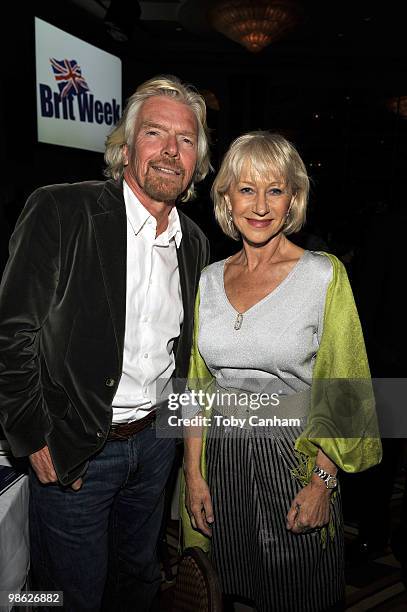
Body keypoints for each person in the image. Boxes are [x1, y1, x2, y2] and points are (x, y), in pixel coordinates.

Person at [0, 75, 210, 612]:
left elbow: (184, 356)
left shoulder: (197, 242)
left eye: (185, 140)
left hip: (155, 446)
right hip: (76, 451)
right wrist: (31, 433)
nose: (170, 151)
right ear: (126, 145)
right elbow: (12, 332)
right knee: (67, 594)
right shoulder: (61, 210)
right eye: (155, 133)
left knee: (136, 579)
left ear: (197, 161)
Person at [180, 132, 382, 611]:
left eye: (275, 189)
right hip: (221, 459)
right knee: (229, 587)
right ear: (227, 196)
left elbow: (346, 386)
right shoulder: (208, 278)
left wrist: (323, 482)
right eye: (246, 189)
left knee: (299, 592)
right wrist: (192, 473)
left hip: (294, 461)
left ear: (294, 198)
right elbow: (195, 385)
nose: (260, 204)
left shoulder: (323, 275)